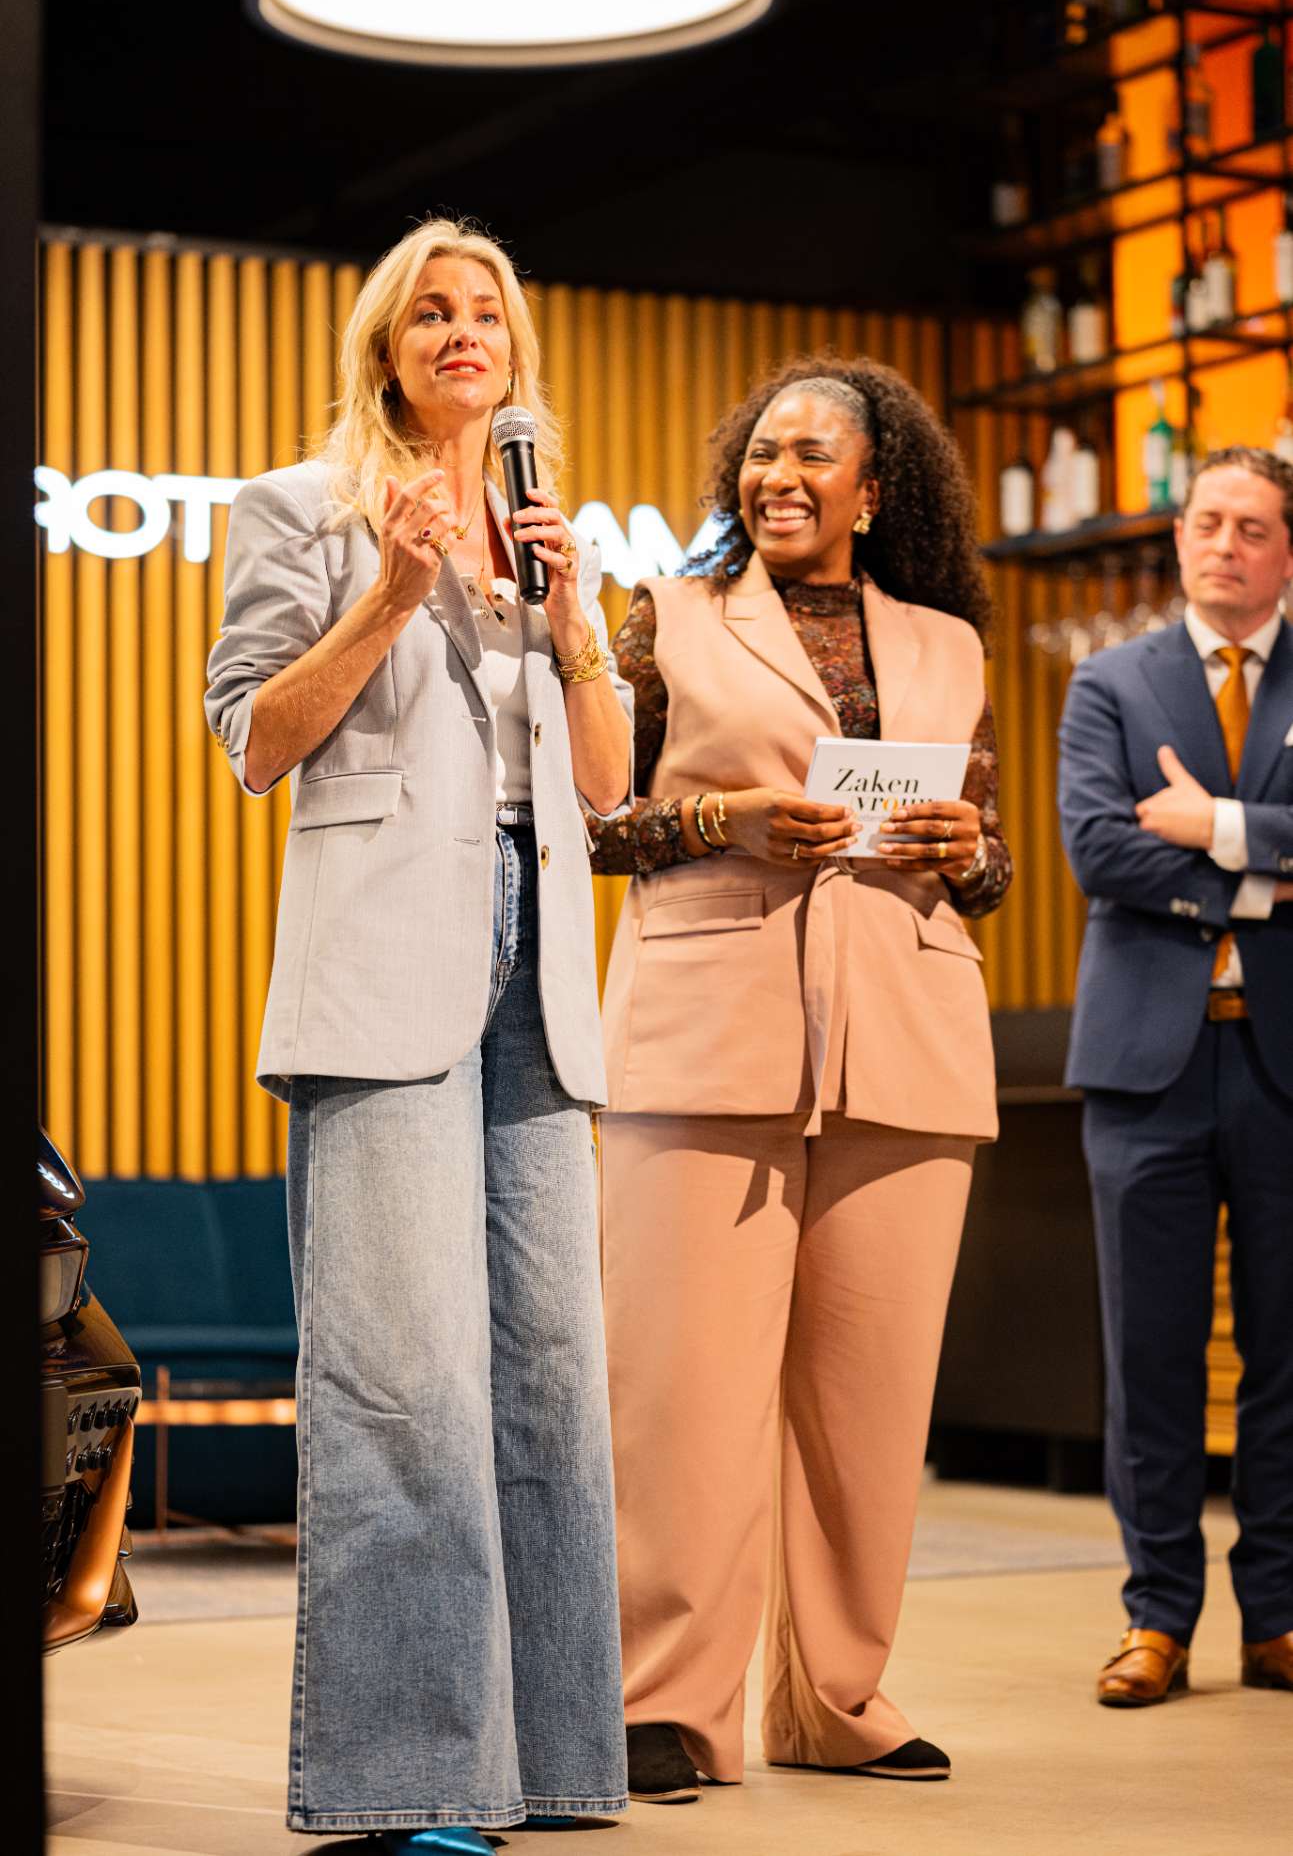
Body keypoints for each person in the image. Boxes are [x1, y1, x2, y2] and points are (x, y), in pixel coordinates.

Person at [205, 217, 632, 1852]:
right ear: (386, 351)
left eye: (487, 315)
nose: (464, 334)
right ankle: (406, 1776)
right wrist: (389, 592)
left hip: (541, 979)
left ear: (515, 354)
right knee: (403, 1384)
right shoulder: (300, 509)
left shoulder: (548, 532)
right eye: (432, 313)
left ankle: (553, 1761)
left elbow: (608, 785)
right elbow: (256, 740)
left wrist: (576, 619)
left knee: (547, 1383)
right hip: (384, 969)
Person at [589, 355, 1012, 1801]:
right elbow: (596, 818)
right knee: (680, 1398)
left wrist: (969, 849)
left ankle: (836, 1698)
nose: (778, 475)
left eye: (812, 456)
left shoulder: (948, 642)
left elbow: (991, 858)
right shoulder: (668, 618)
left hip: (907, 1037)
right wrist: (725, 818)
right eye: (762, 453)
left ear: (872, 489)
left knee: (867, 1406)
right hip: (707, 1031)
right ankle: (664, 1702)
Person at [1058, 446, 1293, 1709]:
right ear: (1179, 537)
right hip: (1145, 1064)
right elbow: (1100, 849)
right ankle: (1156, 1616)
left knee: (1285, 1355)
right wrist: (1270, 877)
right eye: (1208, 522)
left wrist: (1216, 827)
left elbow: (1164, 846)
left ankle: (1279, 1615)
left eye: (1253, 527)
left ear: (1287, 550)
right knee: (1149, 1354)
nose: (1225, 545)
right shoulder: (1111, 681)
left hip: (1282, 1065)